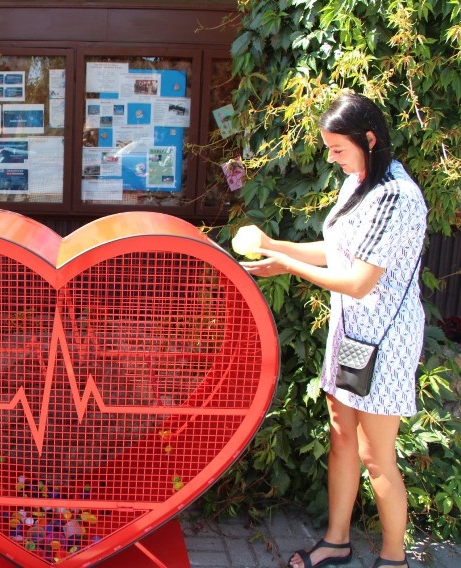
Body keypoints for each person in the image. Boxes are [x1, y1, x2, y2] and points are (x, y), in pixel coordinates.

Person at [240, 93, 426, 568]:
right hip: (350, 334)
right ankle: (336, 541)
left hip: (384, 341)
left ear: (370, 139)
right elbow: (335, 251)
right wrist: (272, 245)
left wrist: (287, 267)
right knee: (342, 436)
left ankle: (393, 557)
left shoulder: (396, 197)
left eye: (338, 149)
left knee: (375, 454)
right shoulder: (357, 181)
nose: (331, 158)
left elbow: (361, 281)